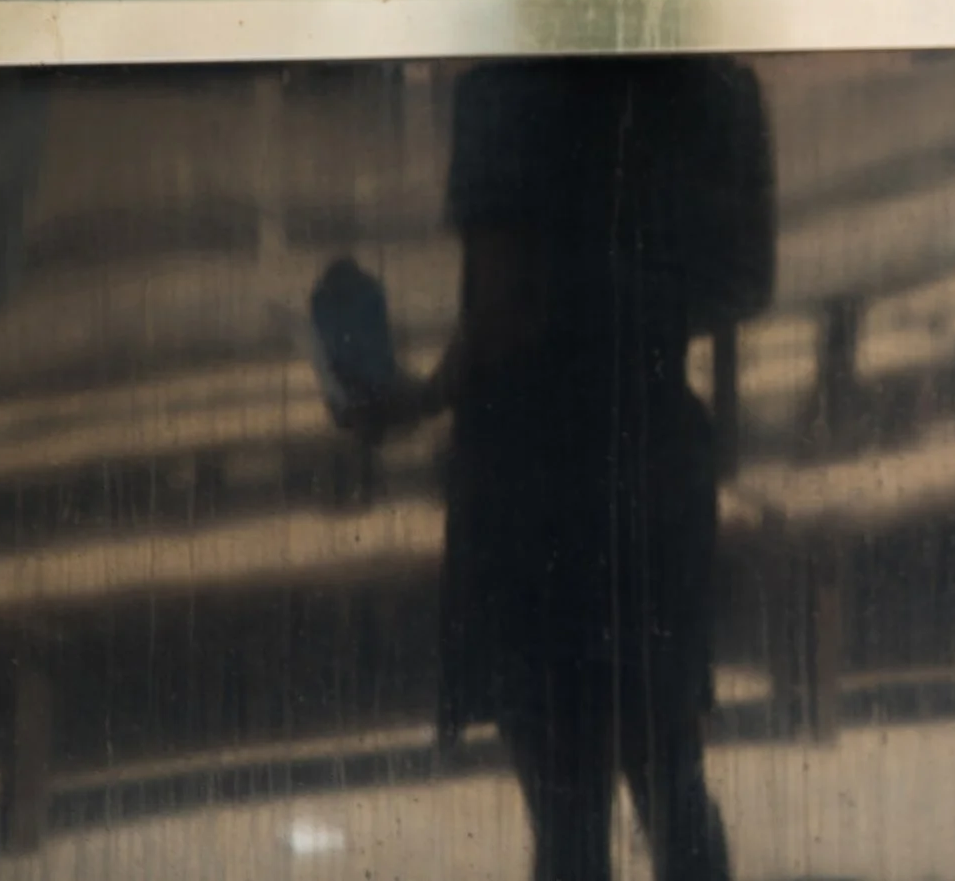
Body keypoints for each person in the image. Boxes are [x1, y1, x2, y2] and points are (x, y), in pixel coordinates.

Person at [313, 56, 773, 881]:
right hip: (659, 451)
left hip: (534, 477)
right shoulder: (717, 87)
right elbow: (745, 284)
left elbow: (511, 301)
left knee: (567, 803)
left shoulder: (509, 87)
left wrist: (409, 401)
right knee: (669, 771)